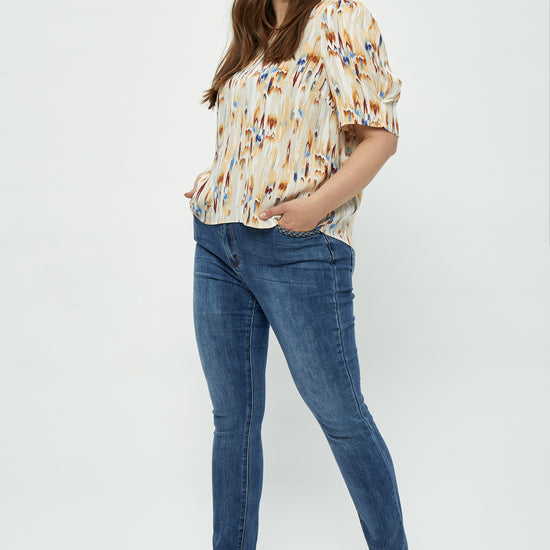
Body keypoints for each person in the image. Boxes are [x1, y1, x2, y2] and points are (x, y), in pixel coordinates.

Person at [185, 0, 408, 548]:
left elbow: (380, 137)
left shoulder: (339, 16)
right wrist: (217, 181)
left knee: (341, 415)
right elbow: (259, 135)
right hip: (217, 241)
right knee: (232, 422)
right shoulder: (255, 25)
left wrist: (314, 208)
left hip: (299, 249)